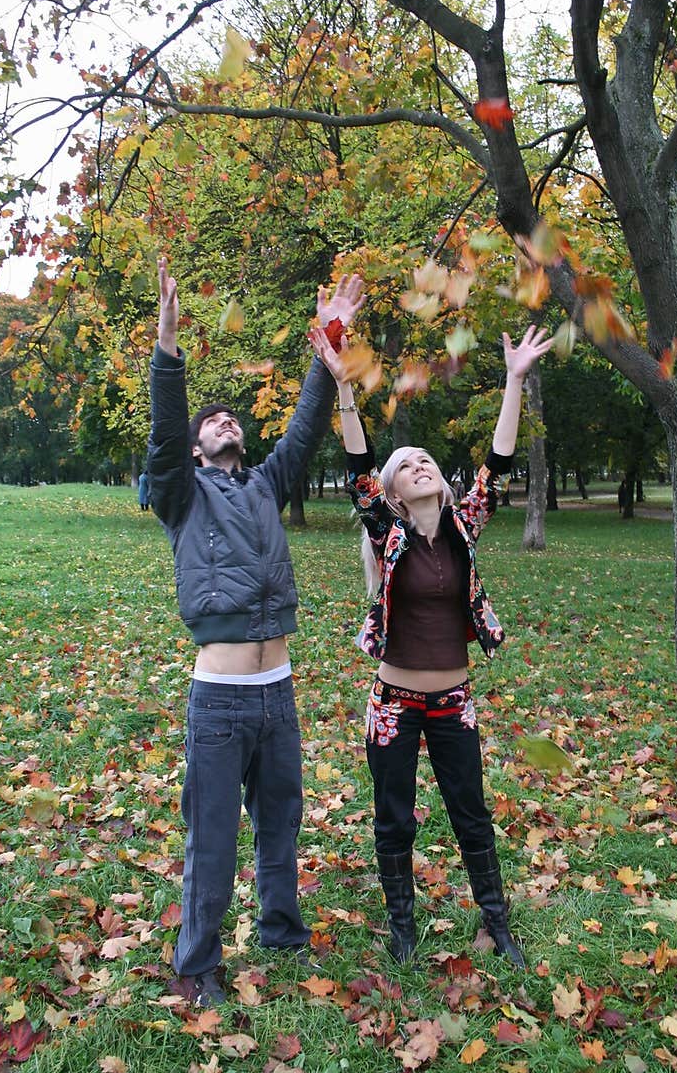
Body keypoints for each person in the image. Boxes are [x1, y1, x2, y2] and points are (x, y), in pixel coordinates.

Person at [148, 256, 365, 1008]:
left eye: (229, 416)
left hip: (278, 693)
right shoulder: (180, 496)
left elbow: (305, 430)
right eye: (212, 421)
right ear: (200, 446)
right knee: (212, 839)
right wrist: (168, 346)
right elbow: (166, 438)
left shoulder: (266, 486)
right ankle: (198, 965)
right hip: (220, 700)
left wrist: (330, 335)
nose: (224, 422)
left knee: (281, 823)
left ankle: (281, 931)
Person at [310, 321, 554, 968]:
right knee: (395, 818)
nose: (418, 467)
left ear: (442, 485)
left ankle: (498, 924)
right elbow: (359, 464)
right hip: (393, 701)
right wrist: (343, 390)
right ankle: (402, 928)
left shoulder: (463, 527)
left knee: (470, 812)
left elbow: (497, 464)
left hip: (453, 700)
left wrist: (514, 378)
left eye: (426, 462)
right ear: (391, 495)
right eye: (406, 466)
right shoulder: (388, 534)